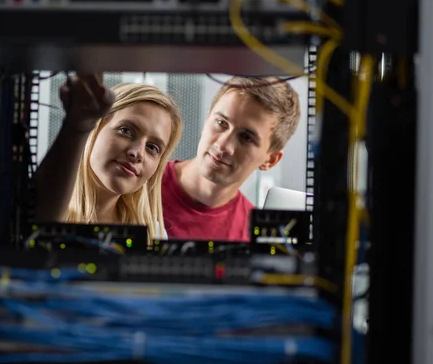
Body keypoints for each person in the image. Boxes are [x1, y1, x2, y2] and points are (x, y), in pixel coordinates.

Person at [35, 74, 183, 241]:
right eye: (126, 131)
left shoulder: (154, 236)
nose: (137, 153)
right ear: (94, 126)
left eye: (152, 147)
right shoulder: (39, 210)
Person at [162, 76, 301, 241]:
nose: (223, 145)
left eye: (246, 138)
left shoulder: (251, 237)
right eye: (221, 123)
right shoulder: (138, 185)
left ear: (270, 160)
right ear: (207, 120)